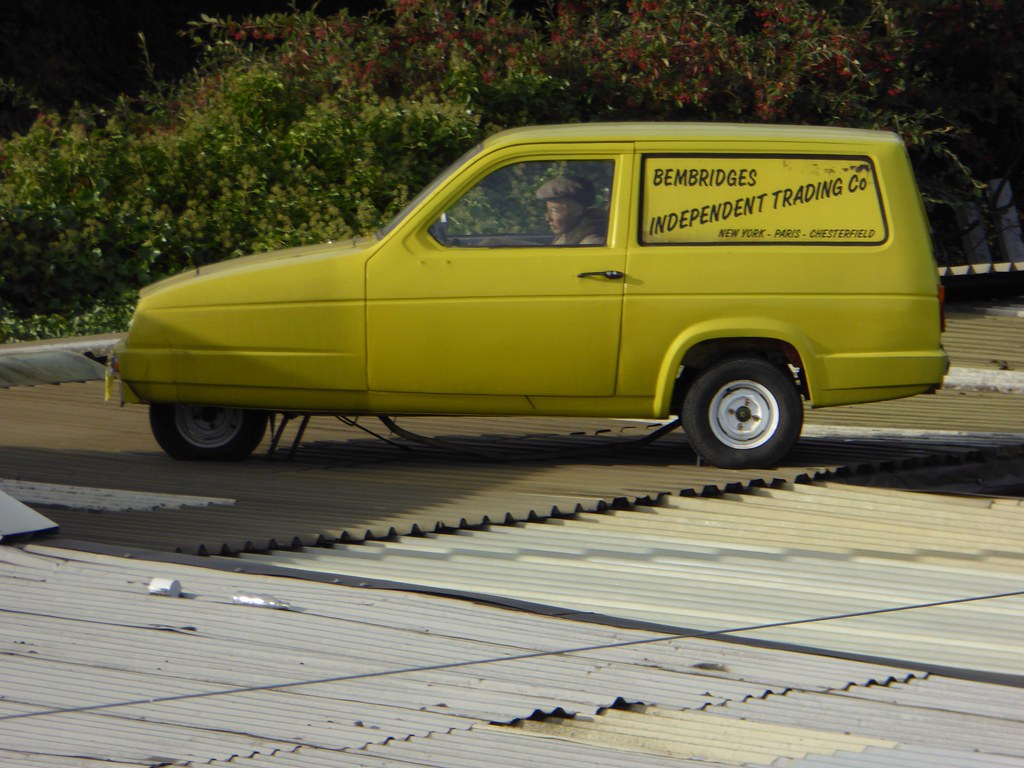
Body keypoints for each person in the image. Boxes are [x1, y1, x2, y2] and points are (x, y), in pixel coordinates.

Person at [535, 175, 607, 245]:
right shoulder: (566, 235)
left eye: (555, 211)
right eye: (548, 210)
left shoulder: (592, 243)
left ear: (577, 211)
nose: (548, 218)